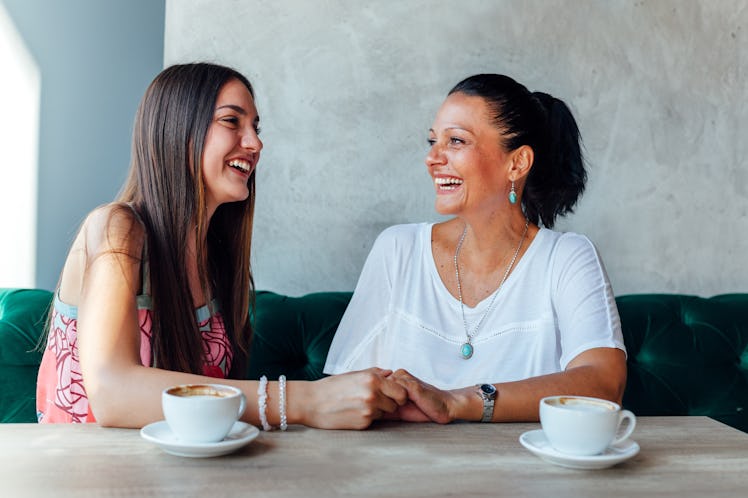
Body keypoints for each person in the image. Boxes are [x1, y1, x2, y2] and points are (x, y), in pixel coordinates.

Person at [36, 62, 407, 430]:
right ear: (178, 130)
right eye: (232, 121)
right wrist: (303, 400)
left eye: (256, 127)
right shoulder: (117, 227)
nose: (255, 143)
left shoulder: (217, 260)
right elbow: (111, 393)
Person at [324, 74, 627, 423]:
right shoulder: (398, 250)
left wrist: (457, 402)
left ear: (517, 163)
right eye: (432, 140)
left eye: (455, 141)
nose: (432, 158)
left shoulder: (568, 258)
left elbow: (604, 384)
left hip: (525, 474)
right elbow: (340, 394)